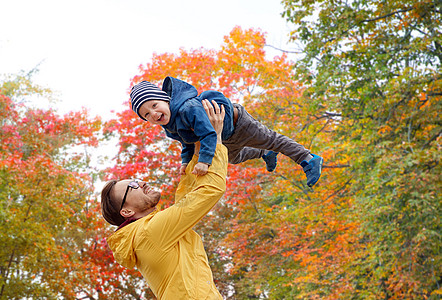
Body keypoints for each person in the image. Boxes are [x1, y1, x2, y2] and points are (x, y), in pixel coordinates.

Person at [101, 100, 227, 299]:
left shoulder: (149, 233)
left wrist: (198, 149)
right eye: (132, 185)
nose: (141, 182)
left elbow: (186, 200)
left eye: (135, 179)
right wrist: (216, 139)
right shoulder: (149, 233)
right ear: (126, 212)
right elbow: (210, 190)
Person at [130, 76, 323, 187]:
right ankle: (265, 153)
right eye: (146, 114)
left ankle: (308, 158)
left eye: (155, 105)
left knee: (272, 139)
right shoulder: (169, 126)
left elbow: (207, 134)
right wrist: (185, 161)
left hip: (238, 124)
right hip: (224, 137)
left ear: (165, 99)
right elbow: (187, 142)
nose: (154, 113)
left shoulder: (188, 108)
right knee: (234, 158)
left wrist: (204, 162)